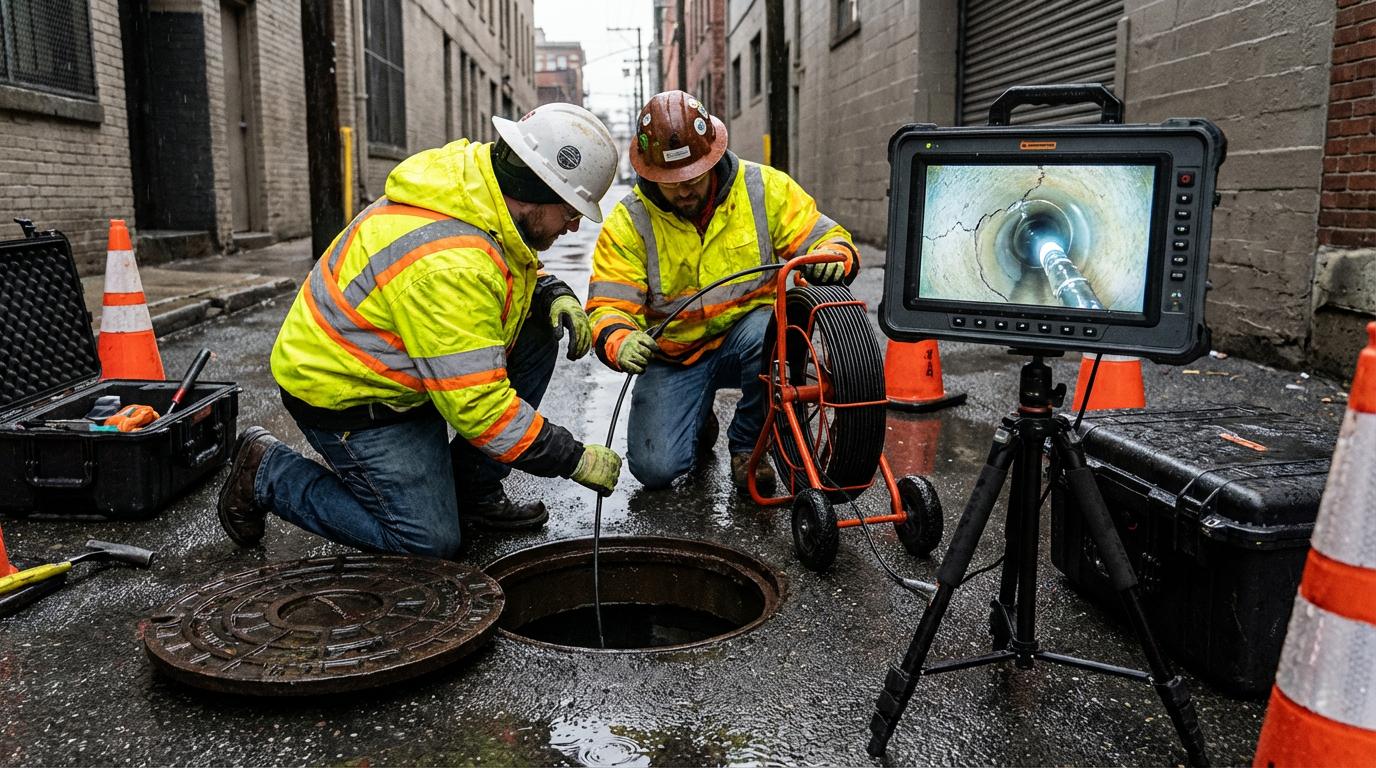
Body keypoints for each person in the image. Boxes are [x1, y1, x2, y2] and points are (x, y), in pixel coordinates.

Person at [216, 103, 624, 559]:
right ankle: (267, 472)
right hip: (351, 398)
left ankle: (473, 494)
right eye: (571, 210)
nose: (573, 225)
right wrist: (571, 457)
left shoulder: (477, 190)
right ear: (536, 189)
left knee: (537, 332)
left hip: (402, 370)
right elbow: (481, 408)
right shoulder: (450, 265)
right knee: (427, 542)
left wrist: (549, 291)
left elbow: (504, 259)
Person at [585, 90, 859, 492]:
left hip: (750, 342)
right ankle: (698, 418)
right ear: (649, 174)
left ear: (712, 158)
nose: (683, 191)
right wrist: (620, 338)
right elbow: (608, 304)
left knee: (771, 330)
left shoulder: (763, 188)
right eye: (670, 182)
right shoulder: (629, 222)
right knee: (655, 470)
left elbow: (824, 237)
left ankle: (749, 444)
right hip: (674, 356)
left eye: (692, 177)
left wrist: (834, 255)